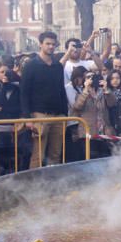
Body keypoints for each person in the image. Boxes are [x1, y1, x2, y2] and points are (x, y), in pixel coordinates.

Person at [20, 31, 68, 169]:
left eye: (53, 44)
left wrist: (64, 114)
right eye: (48, 44)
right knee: (38, 154)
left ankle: (54, 184)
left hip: (58, 115)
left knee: (56, 154)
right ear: (40, 44)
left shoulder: (58, 66)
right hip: (39, 114)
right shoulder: (31, 66)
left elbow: (61, 90)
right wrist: (27, 117)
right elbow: (24, 92)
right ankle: (34, 185)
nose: (51, 47)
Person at [70, 70, 115, 159]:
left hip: (103, 132)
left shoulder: (102, 92)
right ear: (84, 80)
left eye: (93, 77)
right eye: (88, 77)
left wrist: (106, 90)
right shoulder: (81, 93)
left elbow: (112, 103)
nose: (91, 79)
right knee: (90, 158)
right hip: (88, 133)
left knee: (104, 158)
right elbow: (77, 107)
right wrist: (86, 90)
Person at [0, 65, 23, 174]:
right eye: (2, 72)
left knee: (13, 159)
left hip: (14, 128)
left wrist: (3, 109)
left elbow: (19, 107)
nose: (5, 74)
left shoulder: (17, 88)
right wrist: (4, 86)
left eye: (7, 72)